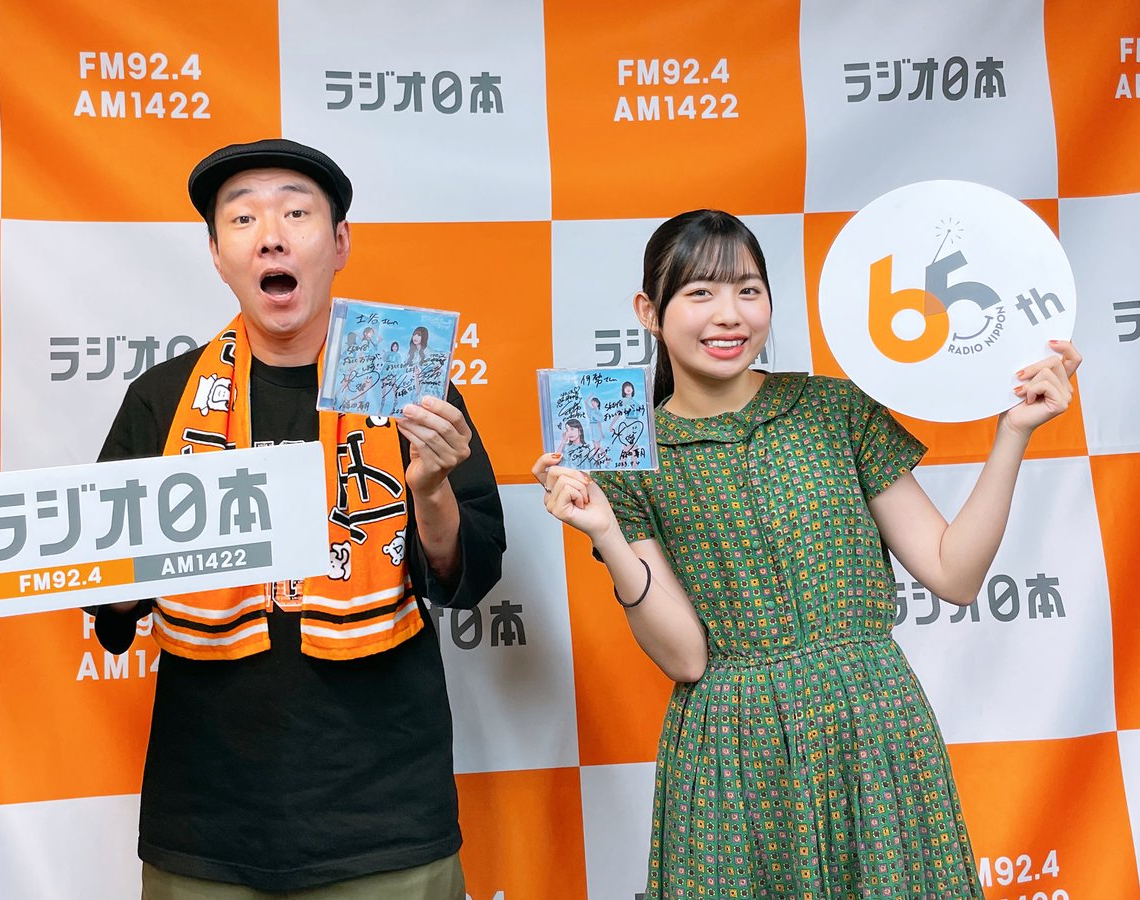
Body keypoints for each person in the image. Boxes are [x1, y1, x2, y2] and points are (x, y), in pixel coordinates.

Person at [533, 209, 1079, 898]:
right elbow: (687, 659)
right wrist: (607, 533)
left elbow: (954, 573)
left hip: (871, 725)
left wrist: (1013, 434)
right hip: (732, 749)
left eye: (748, 290)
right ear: (650, 311)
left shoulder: (833, 409)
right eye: (700, 293)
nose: (729, 315)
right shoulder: (627, 458)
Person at [92, 138, 506, 899]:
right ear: (217, 254)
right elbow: (113, 608)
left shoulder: (413, 392)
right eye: (243, 218)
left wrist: (429, 489)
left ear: (339, 243)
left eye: (295, 213)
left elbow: (468, 575)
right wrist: (121, 569)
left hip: (387, 817)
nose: (271, 236)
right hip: (206, 822)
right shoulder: (164, 400)